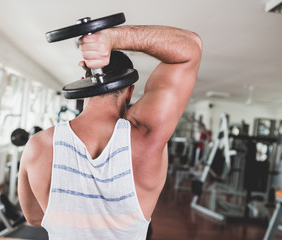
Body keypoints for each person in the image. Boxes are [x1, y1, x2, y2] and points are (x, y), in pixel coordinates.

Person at [18, 25, 202, 239]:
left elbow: (34, 217)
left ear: (84, 81)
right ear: (130, 90)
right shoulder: (146, 138)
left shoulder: (38, 145)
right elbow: (191, 49)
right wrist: (113, 37)